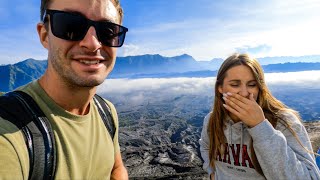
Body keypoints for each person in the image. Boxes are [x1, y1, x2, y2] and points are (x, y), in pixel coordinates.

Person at [0, 0, 129, 179]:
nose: (92, 44)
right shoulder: (8, 131)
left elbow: (116, 168)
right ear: (45, 35)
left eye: (107, 31)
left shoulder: (106, 112)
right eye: (71, 25)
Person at [199, 53, 320, 180]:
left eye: (252, 85)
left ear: (259, 87)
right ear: (220, 88)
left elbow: (311, 177)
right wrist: (212, 173)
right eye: (235, 84)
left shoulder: (283, 121)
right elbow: (206, 146)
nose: (245, 93)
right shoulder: (212, 120)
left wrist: (260, 126)